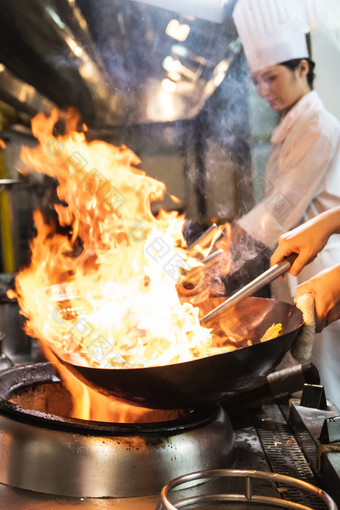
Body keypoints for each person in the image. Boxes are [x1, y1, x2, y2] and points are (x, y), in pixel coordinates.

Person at [229, 0, 340, 408]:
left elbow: (278, 211)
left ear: (303, 68)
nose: (263, 91)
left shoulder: (320, 128)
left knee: (324, 391)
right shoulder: (289, 128)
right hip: (297, 272)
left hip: (324, 279)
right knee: (303, 388)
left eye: (271, 78)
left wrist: (223, 247)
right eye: (256, 80)